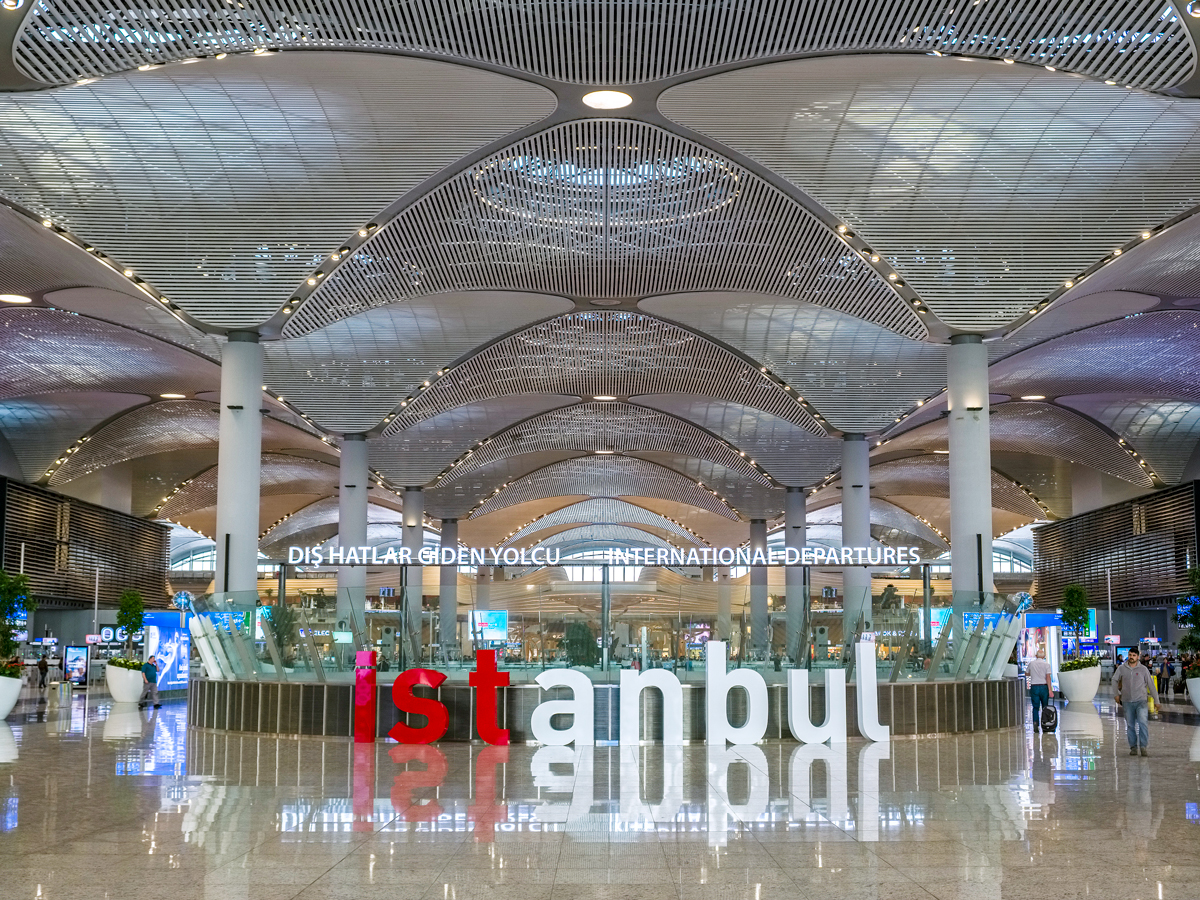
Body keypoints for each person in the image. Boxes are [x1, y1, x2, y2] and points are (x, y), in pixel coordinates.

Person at [1114, 648, 1158, 756]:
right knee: (1130, 725)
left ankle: (1143, 747)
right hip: (1127, 701)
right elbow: (1114, 680)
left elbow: (1151, 685)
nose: (1131, 657)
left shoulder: (1143, 669)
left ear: (1138, 657)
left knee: (1143, 723)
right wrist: (1116, 694)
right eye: (1130, 655)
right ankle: (1133, 747)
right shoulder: (1121, 668)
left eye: (1134, 655)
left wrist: (1157, 700)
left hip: (1141, 701)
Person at [1026, 647, 1052, 726]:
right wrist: (1050, 690)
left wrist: (1033, 674)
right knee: (1045, 706)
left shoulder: (1031, 664)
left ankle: (1035, 723)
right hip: (1044, 687)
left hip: (1034, 687)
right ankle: (1045, 723)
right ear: (1044, 656)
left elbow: (1026, 674)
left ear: (1036, 656)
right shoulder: (1047, 665)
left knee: (1035, 707)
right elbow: (1048, 678)